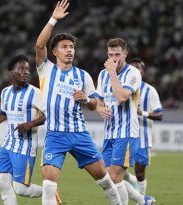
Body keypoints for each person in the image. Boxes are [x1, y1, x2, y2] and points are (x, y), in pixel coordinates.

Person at [35, 1, 121, 204]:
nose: (69, 50)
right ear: (54, 52)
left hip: (79, 134)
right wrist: (53, 19)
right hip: (55, 135)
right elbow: (39, 45)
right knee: (48, 181)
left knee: (104, 179)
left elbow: (95, 105)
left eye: (72, 47)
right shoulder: (46, 69)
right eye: (64, 47)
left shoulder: (82, 76)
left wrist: (86, 99)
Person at [0, 55, 47, 205]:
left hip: (25, 146)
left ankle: (50, 192)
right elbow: (3, 114)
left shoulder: (35, 93)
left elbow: (47, 115)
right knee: (2, 182)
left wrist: (30, 124)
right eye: (21, 69)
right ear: (11, 72)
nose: (26, 72)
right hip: (8, 144)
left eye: (27, 69)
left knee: (21, 189)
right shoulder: (5, 92)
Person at [95, 38, 155, 205]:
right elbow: (98, 101)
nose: (114, 58)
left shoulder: (133, 74)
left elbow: (121, 97)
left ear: (125, 54)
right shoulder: (102, 74)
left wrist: (113, 72)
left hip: (127, 133)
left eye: (117, 54)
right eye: (110, 54)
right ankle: (143, 201)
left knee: (114, 177)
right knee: (109, 179)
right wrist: (100, 109)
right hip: (109, 133)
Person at [123, 58, 163, 196]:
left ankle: (141, 200)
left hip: (142, 138)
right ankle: (130, 180)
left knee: (140, 173)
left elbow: (160, 115)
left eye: (138, 68)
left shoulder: (150, 91)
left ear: (142, 72)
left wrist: (142, 113)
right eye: (132, 67)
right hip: (123, 134)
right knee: (116, 171)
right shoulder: (122, 88)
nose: (135, 70)